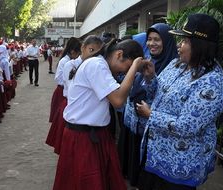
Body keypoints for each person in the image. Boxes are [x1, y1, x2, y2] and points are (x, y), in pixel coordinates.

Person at [136, 14, 223, 190]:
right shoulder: (176, 64)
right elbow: (157, 95)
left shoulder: (212, 82)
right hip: (154, 154)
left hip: (178, 166)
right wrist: (150, 78)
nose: (179, 45)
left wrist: (150, 115)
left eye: (185, 41)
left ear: (200, 45)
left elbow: (187, 126)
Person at [53, 39, 150, 190]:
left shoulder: (100, 65)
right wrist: (134, 67)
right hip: (83, 137)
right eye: (127, 67)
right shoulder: (96, 65)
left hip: (92, 135)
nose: (125, 72)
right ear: (119, 54)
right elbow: (118, 100)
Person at [121, 23, 178, 188]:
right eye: (149, 39)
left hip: (154, 131)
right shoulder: (149, 60)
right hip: (135, 125)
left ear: (167, 42)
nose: (151, 43)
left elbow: (163, 96)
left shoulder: (173, 67)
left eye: (157, 40)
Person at [46, 35, 104, 154]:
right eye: (91, 50)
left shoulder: (92, 64)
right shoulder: (69, 64)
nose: (93, 55)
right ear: (82, 48)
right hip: (69, 100)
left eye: (97, 52)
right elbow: (64, 82)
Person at [48, 37, 81, 123]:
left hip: (66, 91)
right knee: (62, 120)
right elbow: (58, 78)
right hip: (61, 92)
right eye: (78, 53)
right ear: (72, 51)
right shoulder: (65, 61)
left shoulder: (71, 60)